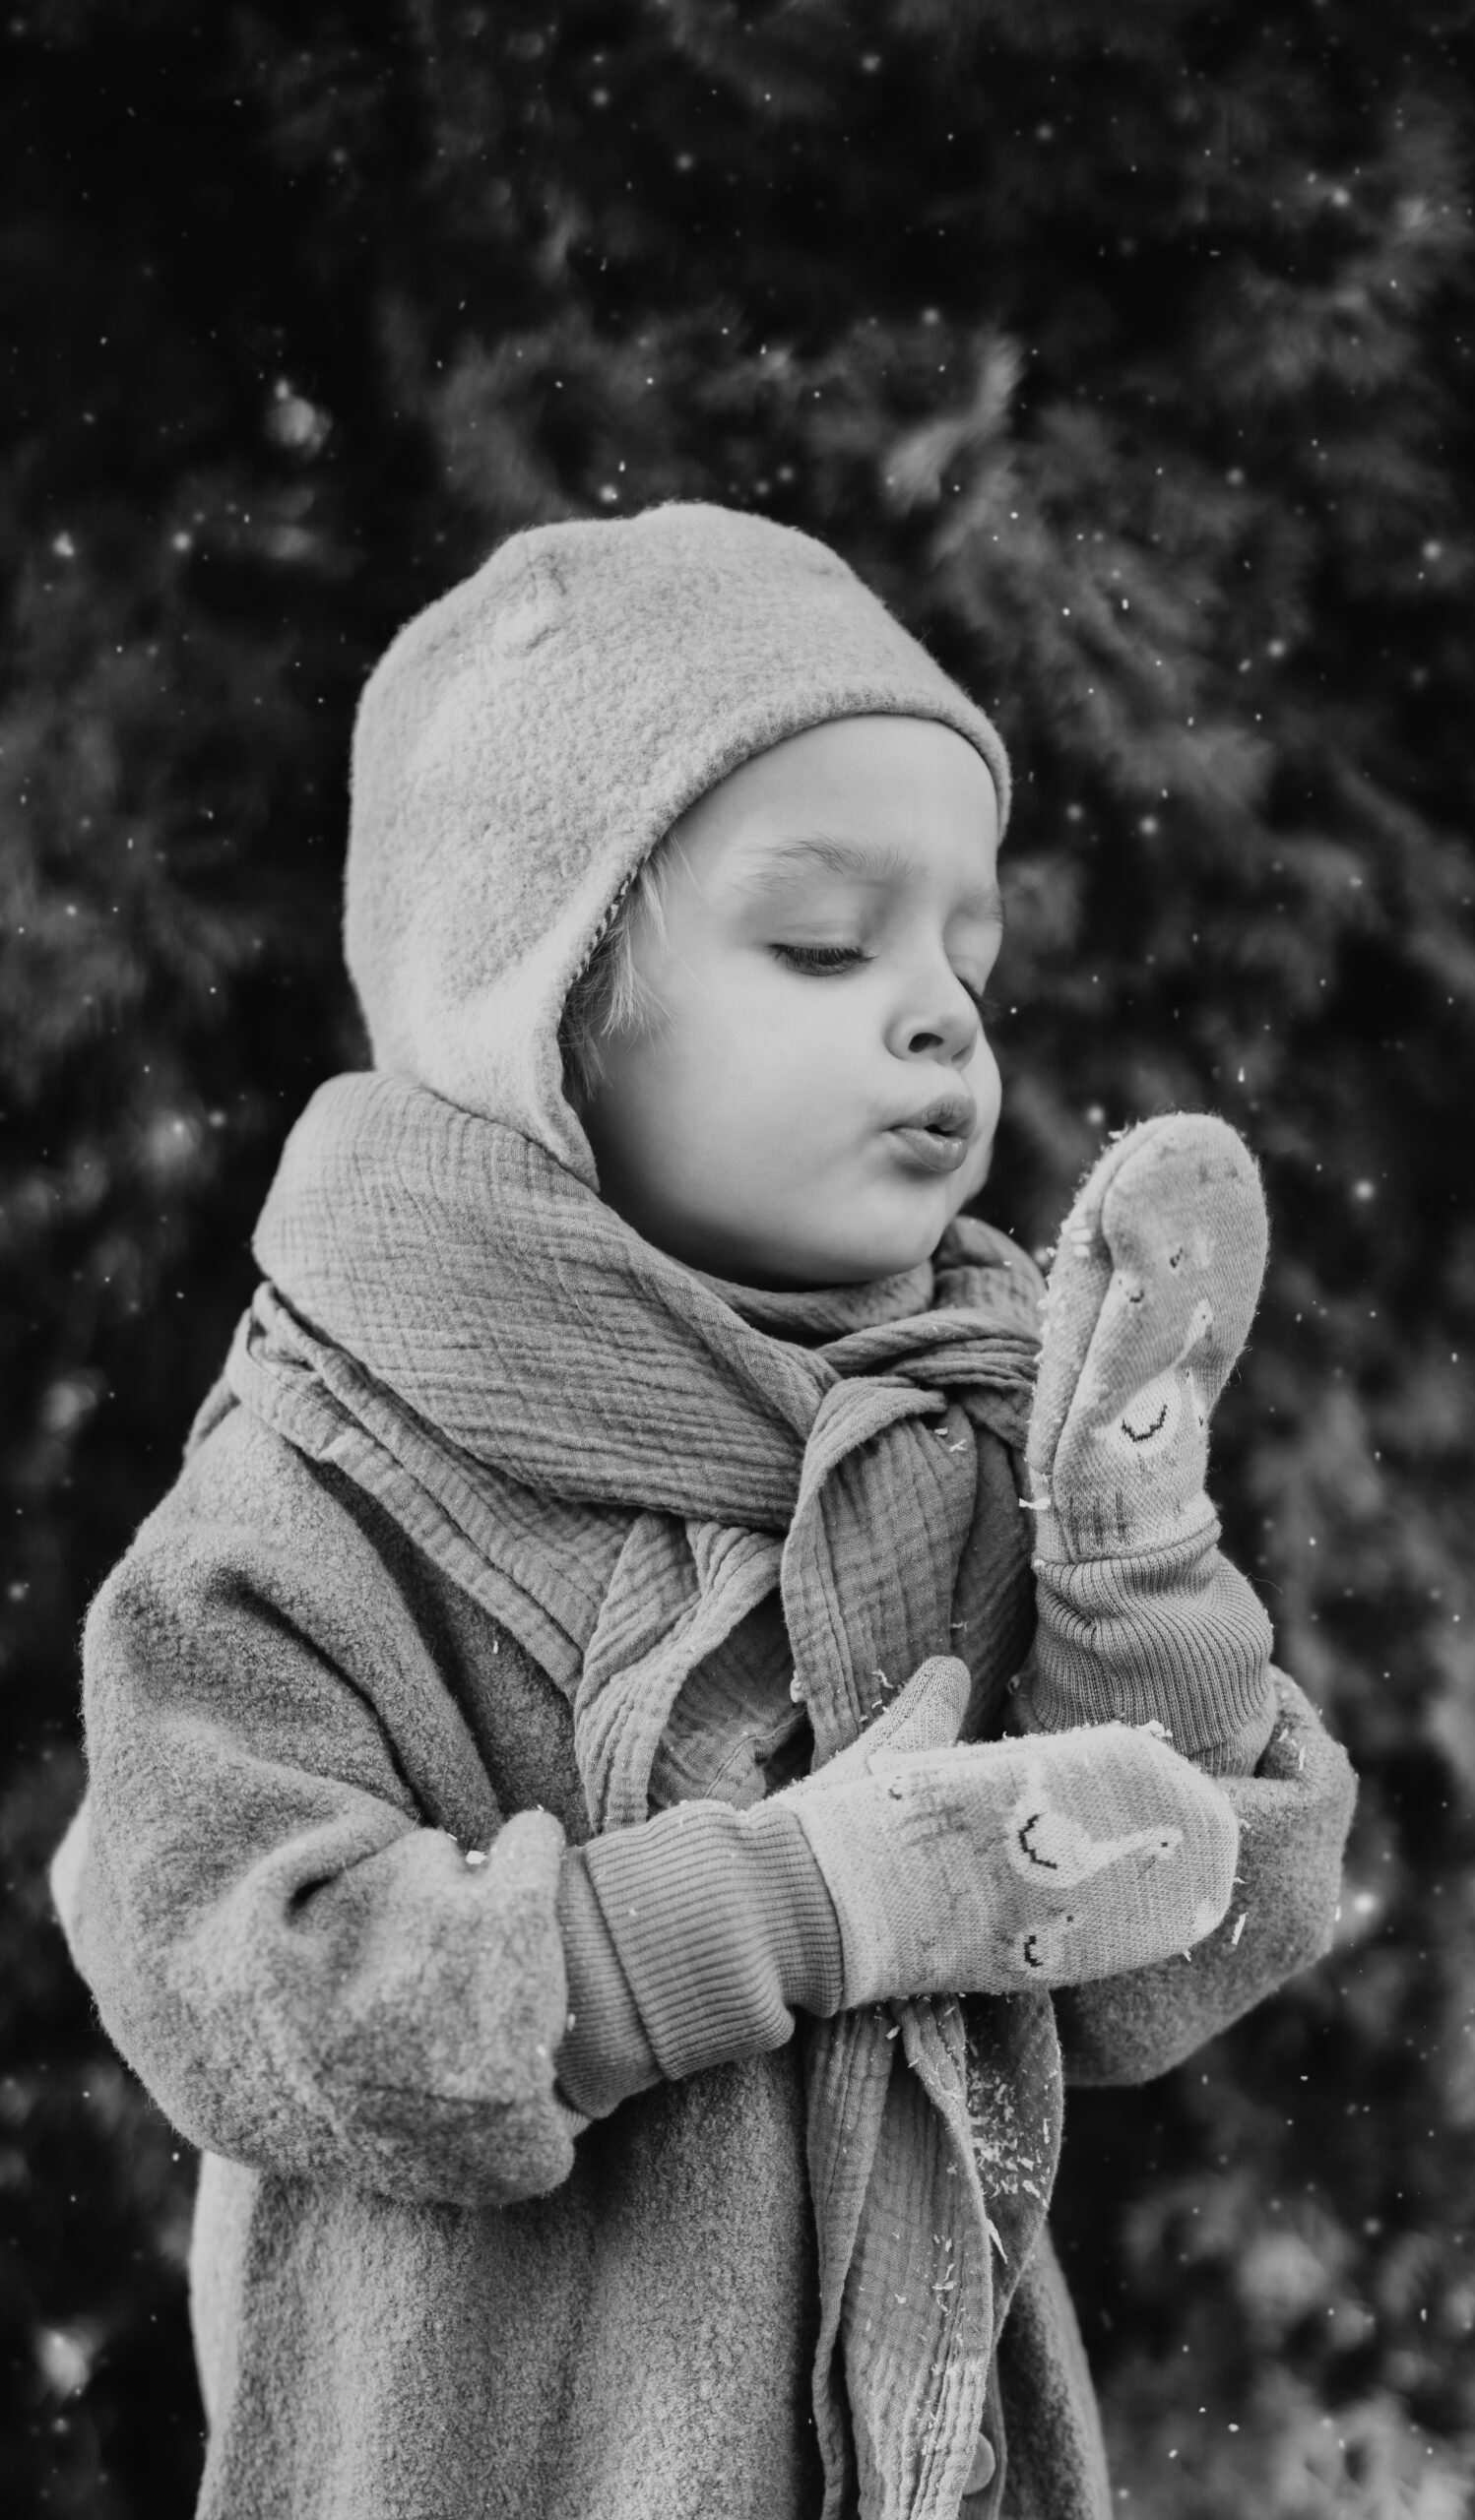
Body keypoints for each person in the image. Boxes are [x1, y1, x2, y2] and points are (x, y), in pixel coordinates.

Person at [50, 505, 1356, 2520]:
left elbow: (1163, 1946)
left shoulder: (956, 1420)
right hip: (485, 2452)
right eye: (825, 943)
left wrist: (1127, 1563)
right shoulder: (329, 1467)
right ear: (538, 999)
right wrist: (784, 1907)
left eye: (964, 957)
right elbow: (236, 1964)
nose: (935, 1011)